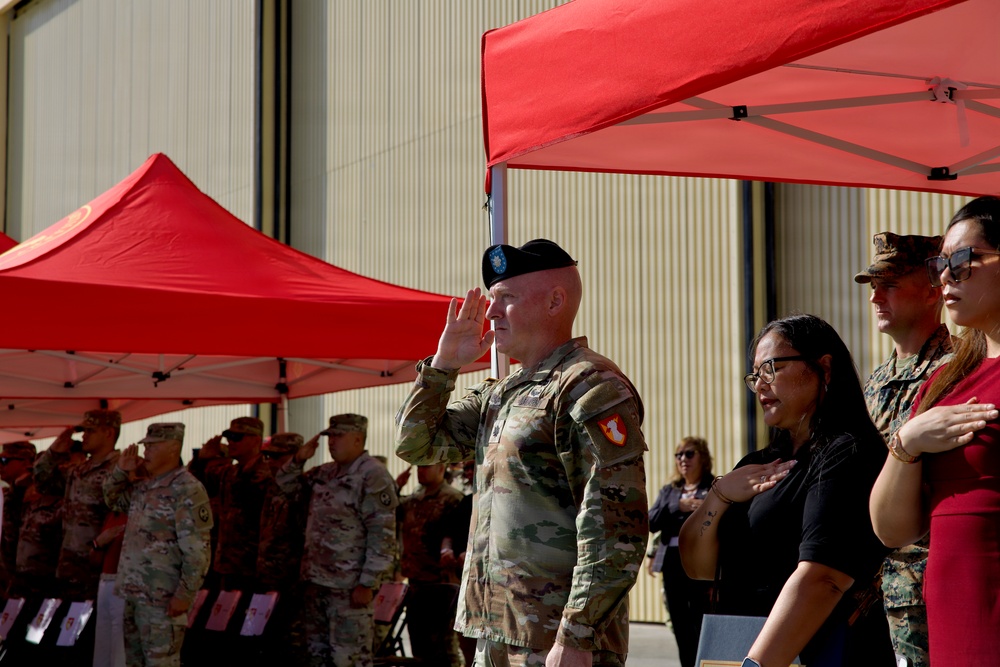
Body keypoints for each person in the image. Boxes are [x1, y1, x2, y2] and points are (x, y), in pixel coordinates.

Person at [395, 239, 648, 667]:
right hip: (495, 631)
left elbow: (614, 525)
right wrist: (442, 366)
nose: (491, 313)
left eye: (506, 299)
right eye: (492, 299)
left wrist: (577, 635)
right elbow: (416, 444)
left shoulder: (589, 386)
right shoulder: (503, 393)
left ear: (555, 301)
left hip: (554, 639)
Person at [679, 314, 894, 667]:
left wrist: (756, 664)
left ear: (824, 368)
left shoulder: (848, 452)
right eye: (756, 376)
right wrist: (718, 495)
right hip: (743, 646)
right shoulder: (757, 463)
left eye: (772, 368)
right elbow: (698, 566)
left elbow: (824, 578)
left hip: (811, 652)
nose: (761, 385)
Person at [869, 195, 1000, 667]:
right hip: (945, 613)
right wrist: (906, 443)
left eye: (962, 261)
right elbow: (892, 527)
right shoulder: (945, 381)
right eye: (939, 264)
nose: (945, 276)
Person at [854, 232, 952, 667]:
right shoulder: (876, 380)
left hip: (926, 593)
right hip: (870, 593)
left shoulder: (956, 370)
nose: (876, 297)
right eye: (874, 285)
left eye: (890, 284)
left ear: (934, 289)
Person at [274, 414, 397, 667]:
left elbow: (382, 534)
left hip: (349, 588)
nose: (331, 443)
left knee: (348, 659)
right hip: (316, 583)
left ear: (358, 439)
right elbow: (284, 486)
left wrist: (368, 582)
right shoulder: (325, 472)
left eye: (338, 436)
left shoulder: (373, 474)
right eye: (329, 437)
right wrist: (298, 459)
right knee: (317, 657)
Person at [103, 422, 213, 667]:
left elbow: (198, 552)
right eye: (146, 446)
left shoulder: (187, 489)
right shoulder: (144, 486)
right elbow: (112, 500)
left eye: (153, 446)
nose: (145, 451)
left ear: (173, 448)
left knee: (161, 663)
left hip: (162, 599)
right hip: (134, 594)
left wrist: (185, 595)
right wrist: (120, 472)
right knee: (134, 662)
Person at [34, 409, 123, 601]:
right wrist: (54, 452)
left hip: (98, 572)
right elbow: (42, 482)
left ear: (108, 433)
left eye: (90, 431)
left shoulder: (122, 469)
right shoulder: (78, 471)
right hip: (68, 569)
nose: (84, 436)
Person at [647, 437, 713, 667]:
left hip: (700, 564)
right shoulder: (669, 491)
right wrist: (678, 506)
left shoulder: (713, 486)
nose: (683, 459)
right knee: (679, 623)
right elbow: (651, 521)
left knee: (700, 621)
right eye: (679, 455)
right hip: (672, 563)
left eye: (689, 454)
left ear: (702, 457)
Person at [190, 416, 271, 592]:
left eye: (237, 438)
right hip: (227, 564)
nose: (231, 442)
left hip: (252, 566)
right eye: (229, 437)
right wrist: (201, 460)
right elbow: (195, 485)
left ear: (256, 440)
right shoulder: (229, 473)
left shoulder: (266, 473)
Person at [398, 463, 465, 666]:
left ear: (441, 468)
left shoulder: (453, 499)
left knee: (443, 650)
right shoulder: (413, 499)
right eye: (419, 467)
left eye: (427, 466)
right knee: (418, 647)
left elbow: (457, 535)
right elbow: (390, 509)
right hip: (416, 583)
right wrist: (395, 486)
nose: (421, 470)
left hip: (441, 585)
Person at [0, 440, 36, 593]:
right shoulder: (9, 492)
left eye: (5, 460)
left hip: (28, 576)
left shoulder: (33, 493)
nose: (1, 465)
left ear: (25, 462)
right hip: (8, 573)